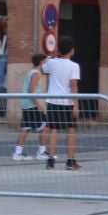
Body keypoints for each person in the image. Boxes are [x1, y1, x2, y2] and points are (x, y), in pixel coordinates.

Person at [40, 40, 81, 170]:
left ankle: (50, 160)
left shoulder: (52, 63)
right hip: (67, 101)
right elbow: (74, 86)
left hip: (52, 100)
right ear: (71, 50)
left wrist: (51, 56)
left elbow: (42, 67)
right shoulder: (74, 66)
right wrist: (76, 105)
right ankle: (70, 160)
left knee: (54, 129)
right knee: (71, 130)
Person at [12, 52, 48, 160]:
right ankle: (41, 152)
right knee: (44, 126)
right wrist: (39, 105)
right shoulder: (36, 74)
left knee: (26, 127)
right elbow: (31, 91)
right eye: (45, 61)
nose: (46, 64)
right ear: (41, 62)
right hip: (31, 105)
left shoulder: (32, 72)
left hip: (27, 104)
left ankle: (18, 152)